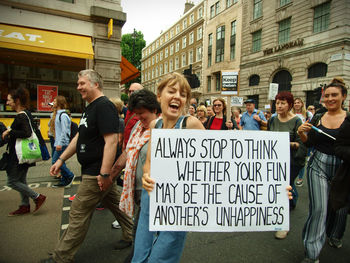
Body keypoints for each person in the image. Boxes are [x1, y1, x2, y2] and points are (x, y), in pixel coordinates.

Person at [43, 69, 133, 263]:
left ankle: (62, 257)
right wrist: (61, 159)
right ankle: (132, 234)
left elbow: (111, 142)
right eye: (78, 84)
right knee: (117, 206)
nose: (78, 87)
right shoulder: (90, 107)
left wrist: (104, 173)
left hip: (96, 173)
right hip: (94, 172)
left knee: (77, 213)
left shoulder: (104, 106)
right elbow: (79, 138)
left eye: (82, 83)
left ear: (95, 84)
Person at [133, 72, 204, 262]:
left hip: (178, 203)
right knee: (140, 253)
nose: (177, 97)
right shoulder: (155, 125)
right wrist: (146, 176)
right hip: (151, 196)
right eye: (172, 91)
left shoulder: (191, 124)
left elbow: (218, 165)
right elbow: (149, 162)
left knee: (162, 255)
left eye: (183, 94)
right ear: (159, 96)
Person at [100, 89, 161, 261]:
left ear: (154, 110)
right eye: (137, 114)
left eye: (143, 115)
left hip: (152, 193)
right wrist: (110, 175)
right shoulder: (137, 127)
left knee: (144, 235)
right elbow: (127, 154)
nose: (140, 119)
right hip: (138, 191)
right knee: (141, 234)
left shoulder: (164, 129)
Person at [297, 79, 349, 263]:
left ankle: (335, 234)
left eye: (334, 95)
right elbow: (309, 142)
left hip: (343, 170)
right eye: (326, 95)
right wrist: (302, 132)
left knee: (339, 207)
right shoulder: (318, 116)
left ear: (343, 96)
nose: (330, 98)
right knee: (318, 210)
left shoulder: (349, 118)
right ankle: (311, 254)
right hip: (317, 165)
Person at [267, 91, 307, 240]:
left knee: (283, 189)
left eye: (283, 103)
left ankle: (283, 225)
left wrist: (286, 143)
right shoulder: (272, 120)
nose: (279, 106)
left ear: (289, 105)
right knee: (284, 187)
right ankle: (292, 201)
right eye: (277, 103)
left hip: (292, 161)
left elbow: (301, 144)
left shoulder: (297, 121)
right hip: (276, 161)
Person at [1, 87, 46, 216]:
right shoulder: (26, 113)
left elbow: (26, 133)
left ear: (17, 100)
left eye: (9, 100)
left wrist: (9, 131)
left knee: (12, 181)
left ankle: (37, 197)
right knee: (21, 180)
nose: (7, 103)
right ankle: (24, 205)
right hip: (24, 153)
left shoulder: (21, 116)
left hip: (19, 155)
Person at [50, 96, 75, 188]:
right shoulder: (57, 114)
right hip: (58, 143)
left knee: (55, 161)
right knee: (61, 162)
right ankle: (64, 180)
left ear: (60, 103)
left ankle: (69, 175)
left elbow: (65, 131)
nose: (53, 102)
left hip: (62, 143)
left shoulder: (63, 115)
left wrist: (60, 143)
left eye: (54, 101)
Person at [292, 98, 313, 187]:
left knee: (301, 159)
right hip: (294, 139)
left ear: (302, 104)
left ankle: (300, 178)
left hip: (304, 139)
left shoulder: (308, 114)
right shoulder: (291, 114)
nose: (296, 104)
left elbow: (312, 126)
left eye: (298, 103)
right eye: (295, 103)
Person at [123, 83, 144, 150]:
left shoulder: (145, 110)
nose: (131, 94)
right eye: (130, 91)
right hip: (126, 148)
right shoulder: (129, 109)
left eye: (134, 91)